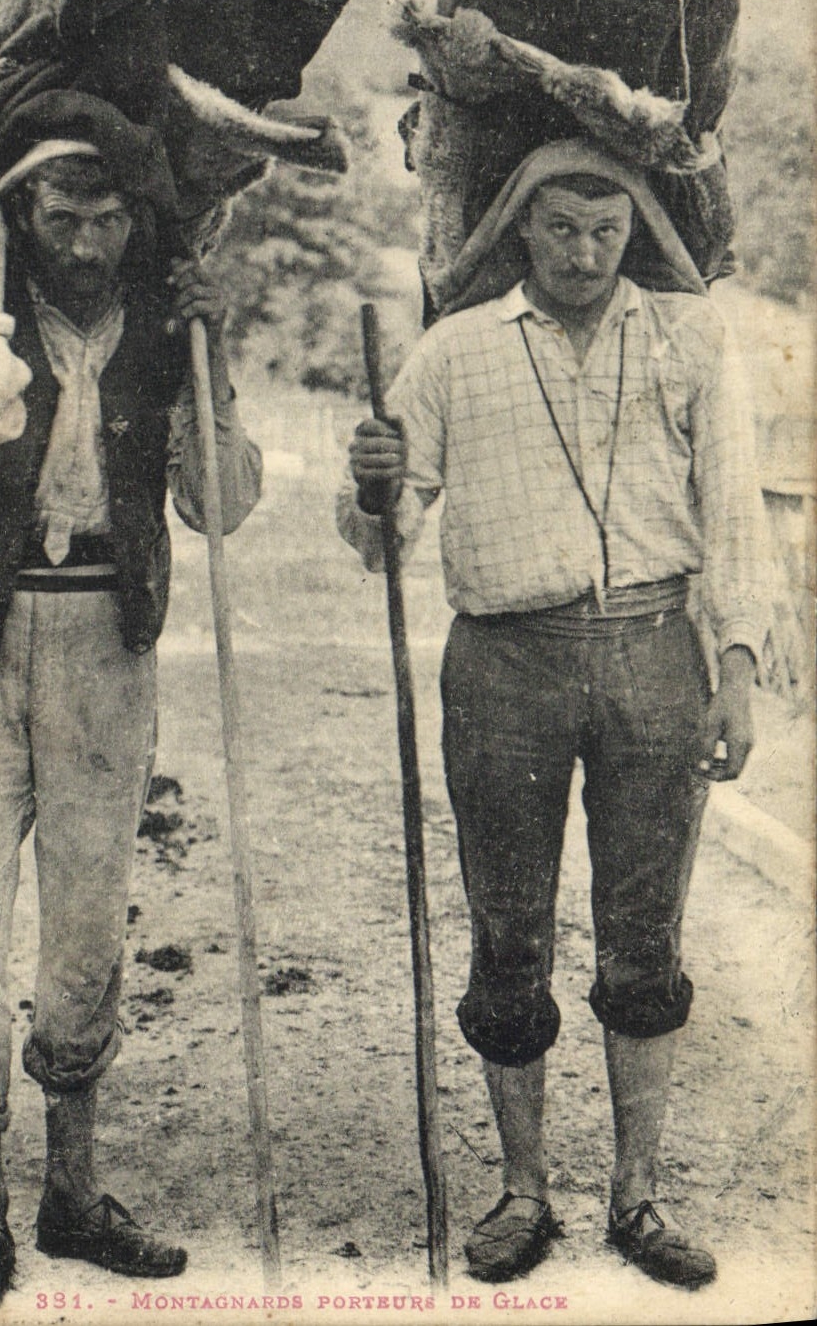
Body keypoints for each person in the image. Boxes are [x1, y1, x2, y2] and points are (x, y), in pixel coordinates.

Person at [338, 140, 768, 1291]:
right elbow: (386, 538)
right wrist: (369, 482)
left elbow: (731, 510)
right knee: (507, 926)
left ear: (634, 233)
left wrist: (734, 666)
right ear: (518, 229)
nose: (583, 253)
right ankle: (522, 1190)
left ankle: (635, 1194)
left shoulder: (686, 340)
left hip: (650, 652)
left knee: (642, 933)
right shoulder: (450, 353)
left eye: (606, 231)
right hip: (502, 663)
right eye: (560, 228)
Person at [0, 89, 261, 1312]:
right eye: (61, 213)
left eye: (107, 216)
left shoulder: (167, 319)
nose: (87, 241)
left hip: (107, 633)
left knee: (90, 919)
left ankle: (75, 1190)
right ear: (20, 209)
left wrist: (221, 355)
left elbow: (221, 502)